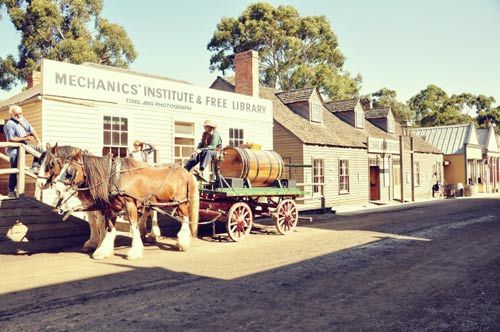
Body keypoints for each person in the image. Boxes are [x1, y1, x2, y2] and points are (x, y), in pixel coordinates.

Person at [3, 105, 43, 197]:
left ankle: (35, 167)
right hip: (14, 149)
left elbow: (32, 130)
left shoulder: (23, 120)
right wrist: (24, 138)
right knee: (15, 169)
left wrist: (38, 141)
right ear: (11, 114)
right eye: (16, 114)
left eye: (20, 113)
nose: (18, 115)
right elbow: (11, 139)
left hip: (24, 146)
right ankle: (11, 191)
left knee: (41, 149)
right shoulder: (9, 124)